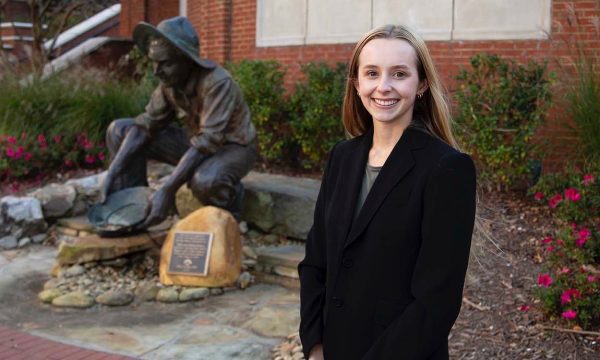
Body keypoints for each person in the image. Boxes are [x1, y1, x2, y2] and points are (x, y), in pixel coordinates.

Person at [298, 24, 477, 360]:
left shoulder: (447, 169)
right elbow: (315, 262)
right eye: (371, 73)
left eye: (399, 74)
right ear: (356, 82)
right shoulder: (342, 157)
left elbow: (436, 301)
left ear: (421, 83)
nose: (383, 87)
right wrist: (315, 347)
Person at [98, 16, 257, 227]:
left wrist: (167, 189)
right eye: (153, 61)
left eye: (165, 63)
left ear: (187, 60)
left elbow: (208, 141)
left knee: (205, 181)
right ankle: (134, 204)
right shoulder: (169, 84)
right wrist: (113, 172)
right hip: (198, 143)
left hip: (233, 147)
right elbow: (146, 125)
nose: (156, 70)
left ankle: (231, 199)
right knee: (120, 130)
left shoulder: (217, 83)